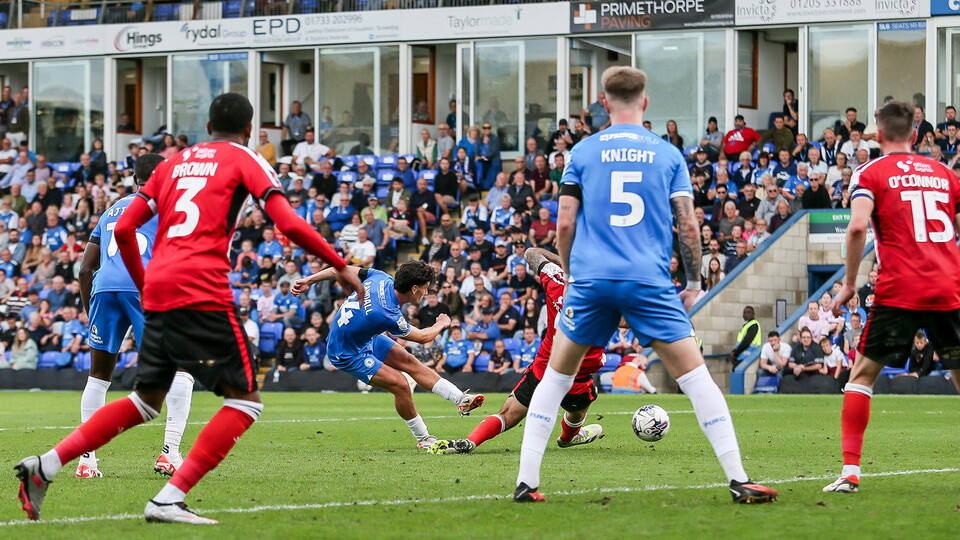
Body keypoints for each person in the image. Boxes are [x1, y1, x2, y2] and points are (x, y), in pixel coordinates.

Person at [13, 93, 363, 524]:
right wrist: (340, 265)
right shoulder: (243, 158)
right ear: (250, 129)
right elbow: (287, 222)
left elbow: (123, 228)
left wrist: (149, 285)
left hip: (156, 287)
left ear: (208, 123)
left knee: (146, 398)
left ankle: (44, 466)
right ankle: (167, 497)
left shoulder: (174, 164)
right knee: (246, 400)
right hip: (199, 286)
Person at [512, 66, 776, 504]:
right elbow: (689, 225)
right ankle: (738, 478)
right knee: (696, 379)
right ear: (646, 102)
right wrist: (693, 281)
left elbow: (564, 221)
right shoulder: (667, 153)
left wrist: (574, 275)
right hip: (647, 281)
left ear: (603, 101)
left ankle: (526, 483)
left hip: (592, 280)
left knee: (555, 381)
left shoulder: (581, 151)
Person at [824, 101, 960, 495]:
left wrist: (850, 283)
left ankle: (850, 472)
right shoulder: (944, 173)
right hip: (947, 287)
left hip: (899, 287)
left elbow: (857, 227)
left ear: (877, 134)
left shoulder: (870, 172)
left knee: (862, 376)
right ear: (916, 135)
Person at [73, 153, 195, 479]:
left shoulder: (111, 210)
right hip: (144, 288)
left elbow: (85, 269)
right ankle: (170, 453)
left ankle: (87, 461)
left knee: (98, 377)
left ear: (133, 176)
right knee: (181, 370)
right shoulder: (167, 206)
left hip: (103, 290)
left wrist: (91, 312)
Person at [429, 248, 605, 455]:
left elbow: (531, 253)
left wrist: (567, 269)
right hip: (577, 376)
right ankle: (568, 437)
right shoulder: (606, 301)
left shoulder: (557, 282)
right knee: (579, 408)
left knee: (508, 414)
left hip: (543, 368)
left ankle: (470, 441)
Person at [293, 261, 484, 446]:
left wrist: (309, 280)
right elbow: (424, 337)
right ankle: (423, 439)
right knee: (401, 384)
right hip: (347, 352)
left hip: (365, 336)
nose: (426, 293)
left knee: (410, 361)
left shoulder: (381, 277)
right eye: (425, 288)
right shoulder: (387, 313)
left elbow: (338, 269)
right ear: (414, 289)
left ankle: (460, 399)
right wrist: (441, 323)